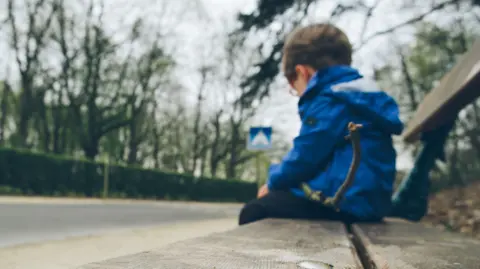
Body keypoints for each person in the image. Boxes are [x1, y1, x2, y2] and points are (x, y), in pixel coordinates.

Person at [239, 23, 404, 226]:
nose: (297, 94)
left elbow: (305, 156)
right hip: (368, 205)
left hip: (342, 204)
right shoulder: (362, 97)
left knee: (256, 210)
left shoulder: (330, 99)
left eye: (294, 87)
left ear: (303, 72)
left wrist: (272, 182)